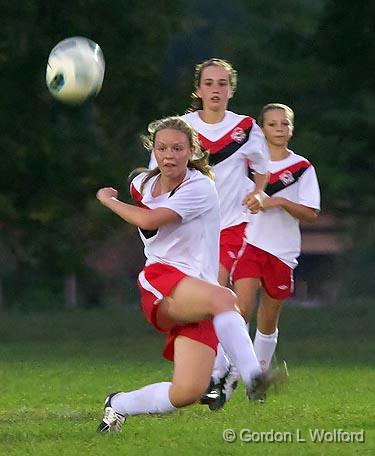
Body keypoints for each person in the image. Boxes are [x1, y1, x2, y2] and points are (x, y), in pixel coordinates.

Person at [96, 116, 280, 433]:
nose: (169, 155)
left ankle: (118, 404)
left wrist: (108, 201)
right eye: (162, 148)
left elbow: (152, 219)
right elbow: (148, 217)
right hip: (161, 280)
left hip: (197, 293)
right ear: (153, 151)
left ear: (192, 151)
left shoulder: (200, 187)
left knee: (186, 392)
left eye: (178, 148)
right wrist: (116, 200)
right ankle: (254, 377)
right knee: (225, 298)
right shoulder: (141, 185)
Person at [149, 59, 270, 408]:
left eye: (222, 83)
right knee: (208, 303)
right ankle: (221, 372)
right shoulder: (182, 129)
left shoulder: (246, 128)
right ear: (198, 89)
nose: (215, 89)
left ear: (231, 90)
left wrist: (259, 193)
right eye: (209, 83)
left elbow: (261, 170)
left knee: (214, 290)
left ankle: (222, 375)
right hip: (188, 231)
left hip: (230, 226)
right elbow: (161, 171)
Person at [229, 103, 321, 388]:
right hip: (249, 243)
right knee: (241, 307)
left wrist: (278, 201)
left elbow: (311, 212)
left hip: (282, 251)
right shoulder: (247, 165)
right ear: (261, 128)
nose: (279, 129)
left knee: (268, 315)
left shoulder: (302, 168)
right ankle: (235, 373)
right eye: (273, 124)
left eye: (285, 124)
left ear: (291, 129)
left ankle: (260, 373)